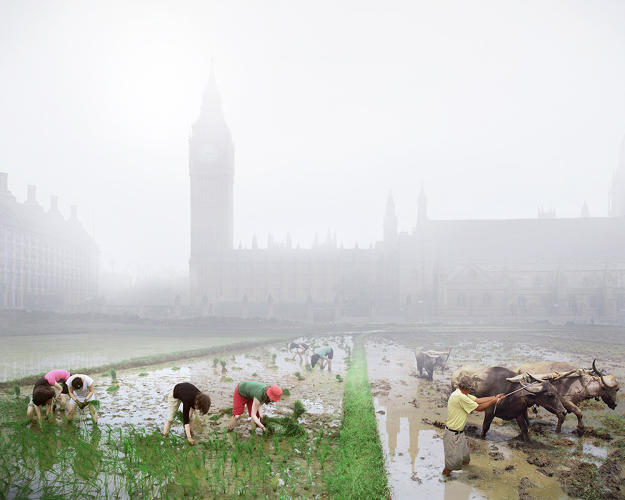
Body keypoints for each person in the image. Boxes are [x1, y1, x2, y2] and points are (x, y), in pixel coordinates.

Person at [442, 376, 505, 476]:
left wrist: (494, 397)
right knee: (450, 465)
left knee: (465, 459)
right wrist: (493, 402)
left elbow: (478, 400)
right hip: (452, 435)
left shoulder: (461, 393)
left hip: (460, 434)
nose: (470, 390)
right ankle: (444, 479)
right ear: (467, 388)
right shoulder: (460, 397)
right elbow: (479, 408)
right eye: (470, 388)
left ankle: (464, 475)